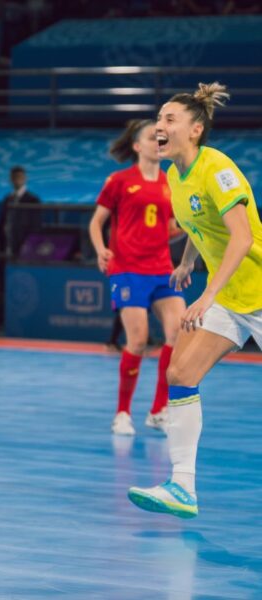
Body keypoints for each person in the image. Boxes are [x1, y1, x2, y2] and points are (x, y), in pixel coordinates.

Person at [128, 83, 262, 519]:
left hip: (253, 291)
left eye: (170, 119)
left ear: (196, 130)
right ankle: (182, 486)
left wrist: (205, 294)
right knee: (180, 372)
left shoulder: (217, 168)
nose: (160, 126)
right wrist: (187, 262)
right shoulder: (174, 175)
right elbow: (199, 226)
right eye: (159, 119)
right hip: (230, 296)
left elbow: (240, 238)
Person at [88, 119, 185, 436]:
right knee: (138, 340)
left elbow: (169, 229)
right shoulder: (119, 180)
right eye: (151, 137)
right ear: (137, 146)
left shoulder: (171, 182)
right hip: (127, 269)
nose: (158, 141)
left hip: (161, 268)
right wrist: (101, 248)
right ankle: (122, 413)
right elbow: (96, 222)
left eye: (161, 137)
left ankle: (159, 410)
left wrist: (192, 228)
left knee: (178, 333)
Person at [0, 165, 41, 258]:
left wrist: (31, 242)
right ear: (10, 179)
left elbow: (35, 223)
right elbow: (3, 220)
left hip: (24, 241)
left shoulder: (32, 199)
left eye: (20, 177)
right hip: (8, 241)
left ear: (25, 178)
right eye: (14, 177)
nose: (17, 179)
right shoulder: (8, 198)